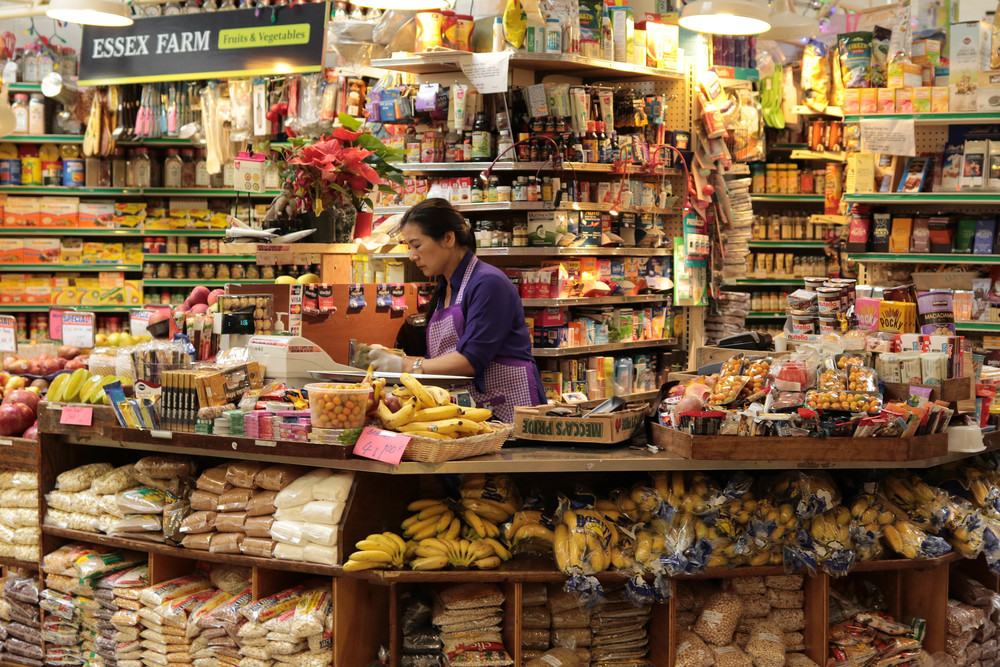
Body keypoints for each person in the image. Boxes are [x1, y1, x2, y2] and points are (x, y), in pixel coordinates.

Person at [368, 198, 546, 422]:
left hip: (512, 412)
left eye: (417, 245)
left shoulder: (488, 283)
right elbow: (441, 359)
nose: (412, 256)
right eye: (409, 247)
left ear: (448, 238)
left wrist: (403, 365)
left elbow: (470, 361)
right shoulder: (445, 289)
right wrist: (390, 357)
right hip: (469, 412)